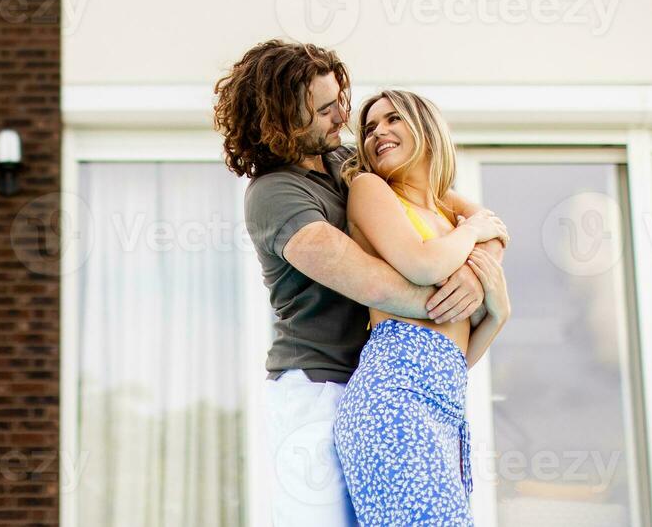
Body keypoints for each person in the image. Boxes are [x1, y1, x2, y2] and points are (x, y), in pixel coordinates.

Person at [213, 39, 508, 526]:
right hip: (318, 389)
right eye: (327, 109)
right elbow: (376, 286)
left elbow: (469, 214)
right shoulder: (274, 195)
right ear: (284, 121)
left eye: (341, 101)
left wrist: (481, 273)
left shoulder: (347, 162)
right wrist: (463, 302)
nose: (343, 117)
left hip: (388, 379)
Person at [331, 89, 512, 526]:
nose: (379, 133)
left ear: (426, 128)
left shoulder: (448, 215)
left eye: (394, 119)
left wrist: (498, 316)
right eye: (370, 127)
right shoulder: (371, 189)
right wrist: (473, 235)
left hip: (445, 408)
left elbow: (453, 355)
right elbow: (420, 263)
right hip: (393, 401)